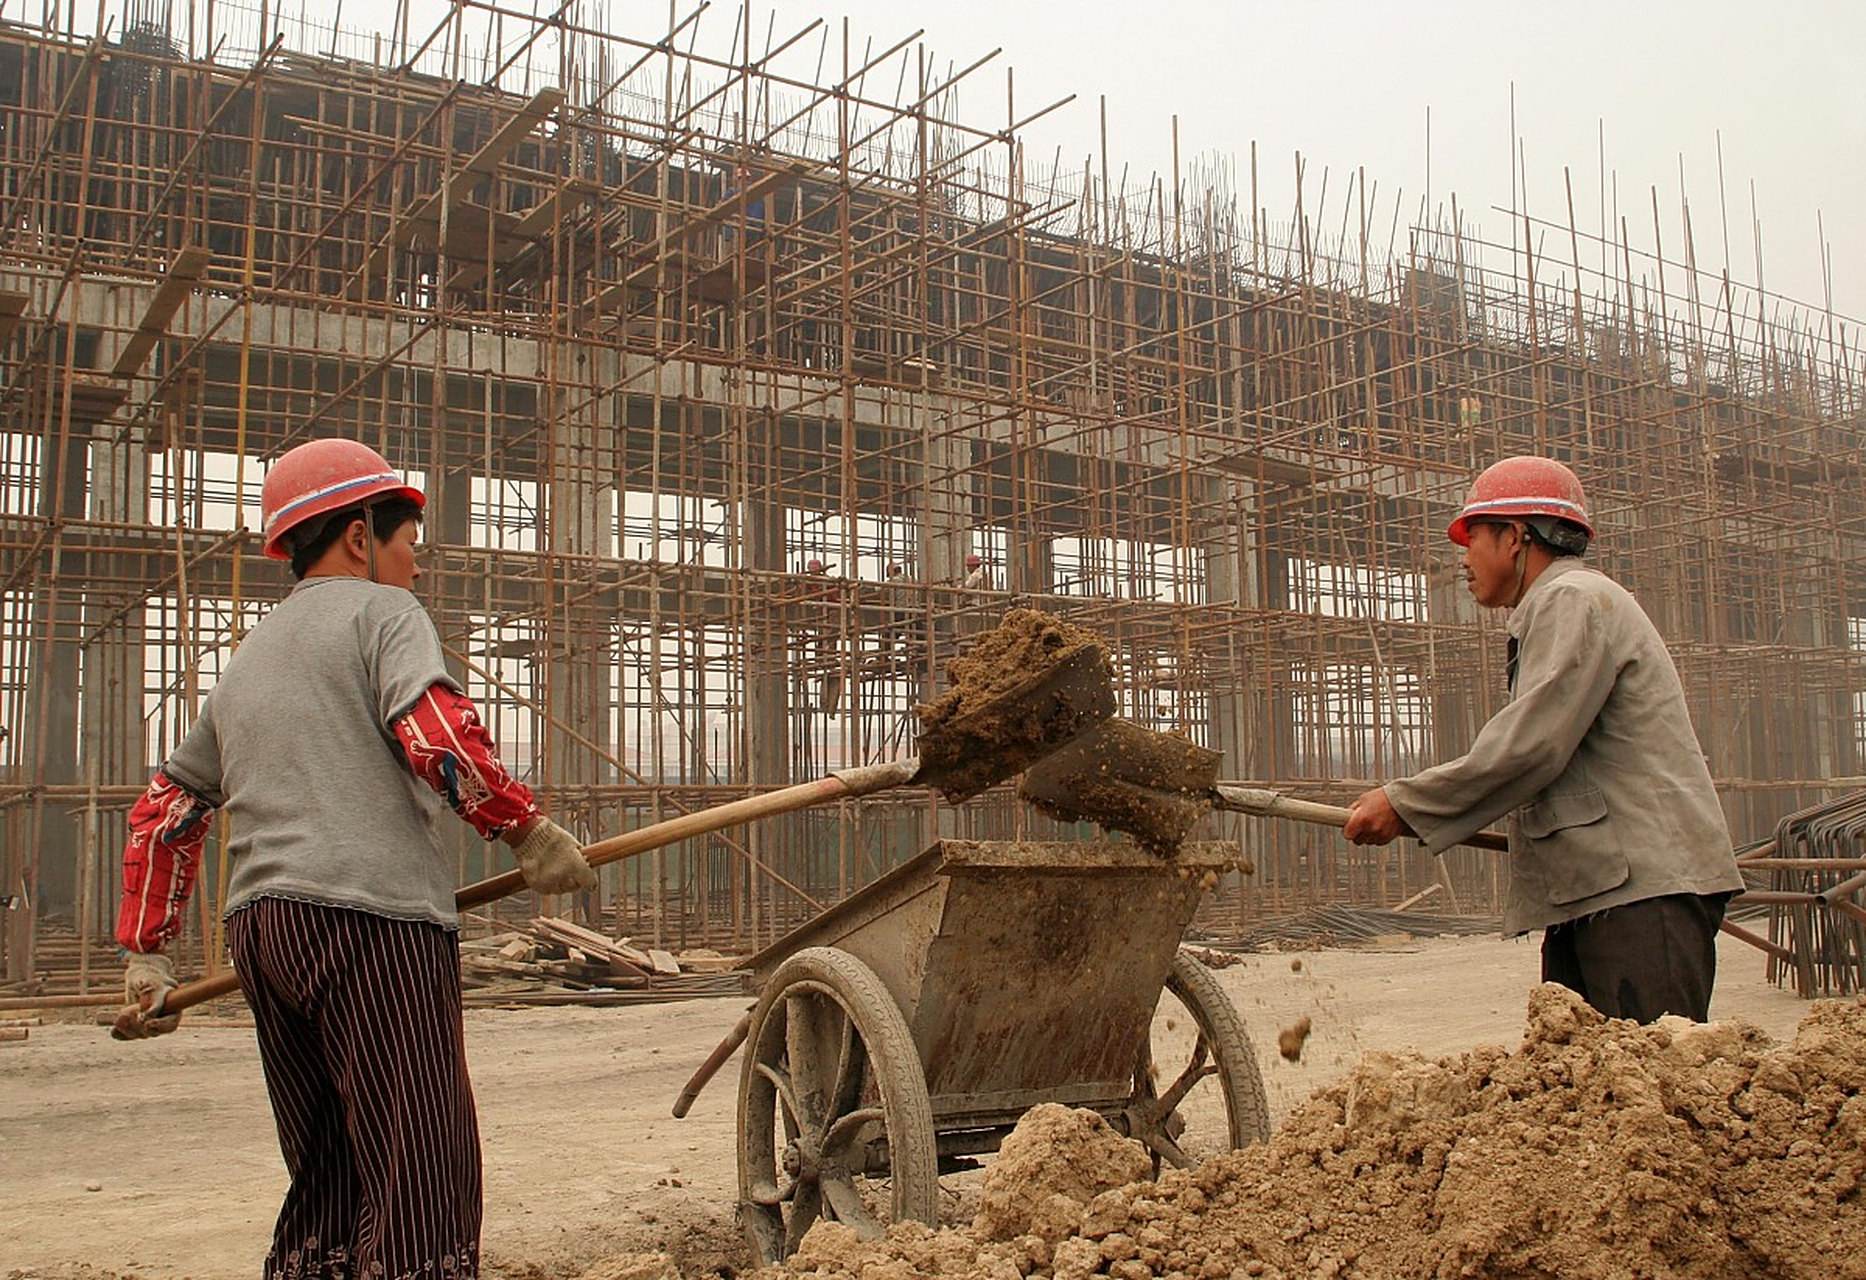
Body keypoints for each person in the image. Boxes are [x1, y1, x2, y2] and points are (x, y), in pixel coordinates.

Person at [112, 438, 596, 1277]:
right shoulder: (385, 615)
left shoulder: (250, 657)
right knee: (421, 1172)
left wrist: (148, 956)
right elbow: (435, 732)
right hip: (372, 926)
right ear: (359, 537)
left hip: (265, 936)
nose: (418, 565)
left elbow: (168, 810)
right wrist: (524, 830)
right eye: (409, 541)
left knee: (328, 1174)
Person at [1342, 456, 1744, 1023]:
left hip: (1642, 893)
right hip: (1601, 890)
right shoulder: (1563, 604)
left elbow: (1531, 746)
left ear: (1514, 537)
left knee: (1653, 1090)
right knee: (1583, 1090)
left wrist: (1406, 803)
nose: (1463, 560)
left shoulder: (1571, 598)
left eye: (1472, 538)